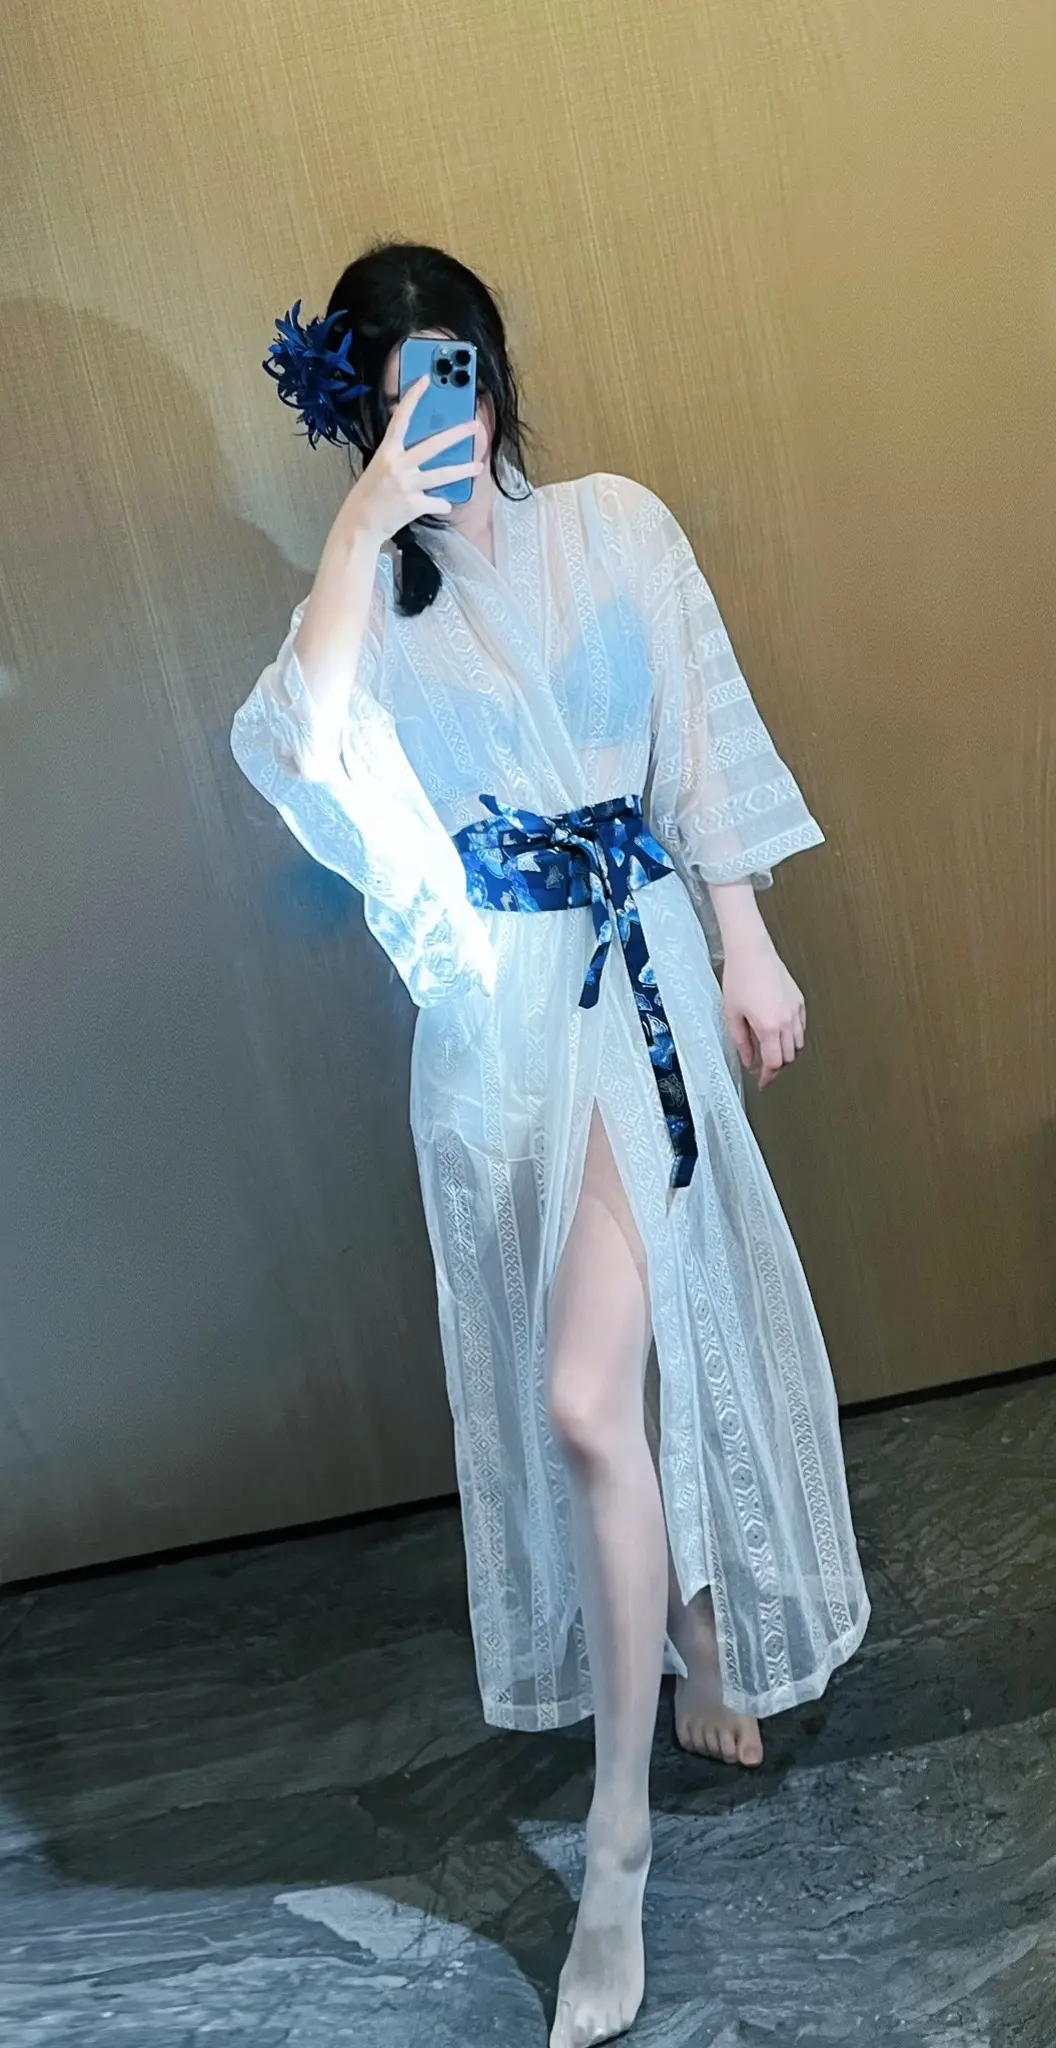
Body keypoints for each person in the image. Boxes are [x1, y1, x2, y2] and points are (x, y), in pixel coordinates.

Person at [232, 242, 870, 2048]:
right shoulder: (372, 605)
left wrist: (747, 940)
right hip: (498, 1027)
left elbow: (700, 736)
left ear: (498, 366)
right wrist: (360, 531)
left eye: (457, 365)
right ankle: (692, 1629)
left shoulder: (614, 526)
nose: (441, 409)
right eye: (396, 392)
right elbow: (303, 749)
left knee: (595, 1394)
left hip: (638, 977)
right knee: (592, 1380)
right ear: (360, 418)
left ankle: (615, 1849)